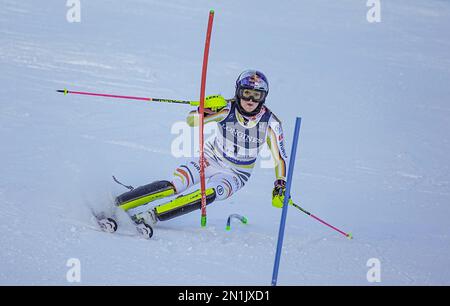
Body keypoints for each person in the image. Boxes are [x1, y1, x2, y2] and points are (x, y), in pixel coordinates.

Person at [114, 69, 289, 228]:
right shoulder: (226, 108)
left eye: (256, 95)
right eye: (246, 93)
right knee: (174, 186)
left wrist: (280, 183)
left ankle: (152, 216)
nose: (250, 100)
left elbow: (279, 158)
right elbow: (191, 122)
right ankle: (119, 203)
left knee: (207, 194)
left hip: (236, 174)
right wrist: (203, 109)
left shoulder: (271, 123)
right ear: (238, 92)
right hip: (209, 159)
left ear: (264, 96)